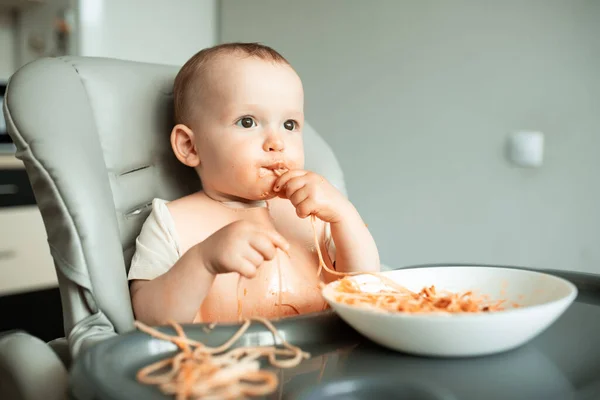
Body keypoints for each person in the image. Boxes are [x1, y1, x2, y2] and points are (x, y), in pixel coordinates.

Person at [127, 42, 380, 325]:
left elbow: (366, 291)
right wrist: (202, 261)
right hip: (224, 362)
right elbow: (149, 318)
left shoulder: (313, 214)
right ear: (190, 146)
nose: (277, 142)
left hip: (327, 358)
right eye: (247, 122)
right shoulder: (172, 222)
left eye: (289, 125)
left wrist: (346, 216)